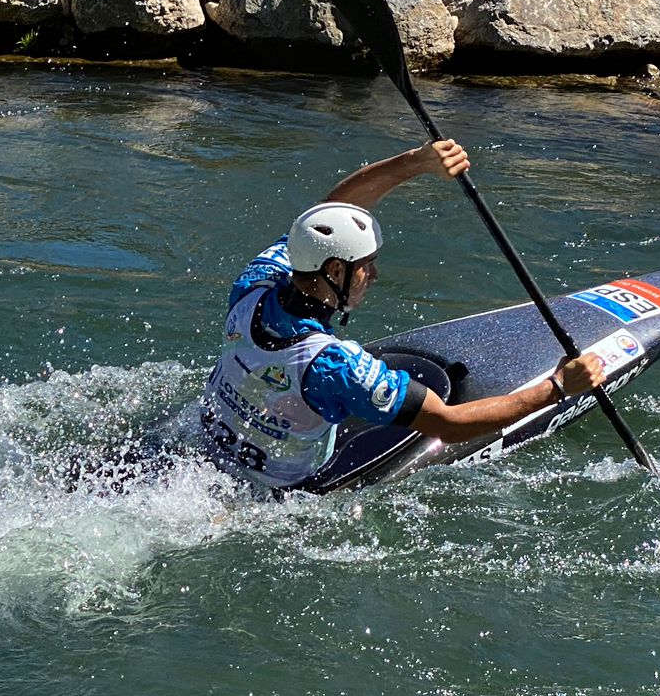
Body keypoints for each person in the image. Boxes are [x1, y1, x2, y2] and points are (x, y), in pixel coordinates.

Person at [198, 139, 606, 490]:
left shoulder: (256, 283)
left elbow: (327, 214)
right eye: (366, 265)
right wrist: (557, 387)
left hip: (203, 449)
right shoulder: (335, 367)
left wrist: (417, 161)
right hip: (270, 496)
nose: (373, 275)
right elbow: (448, 424)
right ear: (335, 271)